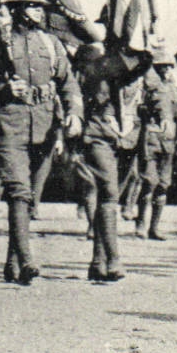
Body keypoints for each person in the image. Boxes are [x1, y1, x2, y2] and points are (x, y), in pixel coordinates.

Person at [0, 0, 83, 285]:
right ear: (16, 10)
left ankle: (13, 262)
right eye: (32, 6)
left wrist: (74, 112)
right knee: (18, 190)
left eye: (39, 7)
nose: (38, 12)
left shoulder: (52, 44)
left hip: (44, 127)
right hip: (10, 123)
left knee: (31, 198)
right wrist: (3, 89)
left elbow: (68, 83)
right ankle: (27, 259)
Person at [72, 36, 150, 281]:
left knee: (107, 196)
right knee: (109, 194)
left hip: (113, 138)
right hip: (96, 136)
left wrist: (147, 51)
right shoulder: (91, 73)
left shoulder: (106, 72)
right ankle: (113, 260)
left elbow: (137, 68)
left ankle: (98, 262)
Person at [133, 49, 177, 240]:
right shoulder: (147, 87)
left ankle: (154, 227)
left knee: (163, 184)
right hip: (150, 137)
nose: (167, 70)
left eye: (169, 67)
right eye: (163, 67)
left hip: (168, 140)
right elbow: (139, 109)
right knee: (149, 181)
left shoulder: (173, 88)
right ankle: (141, 223)